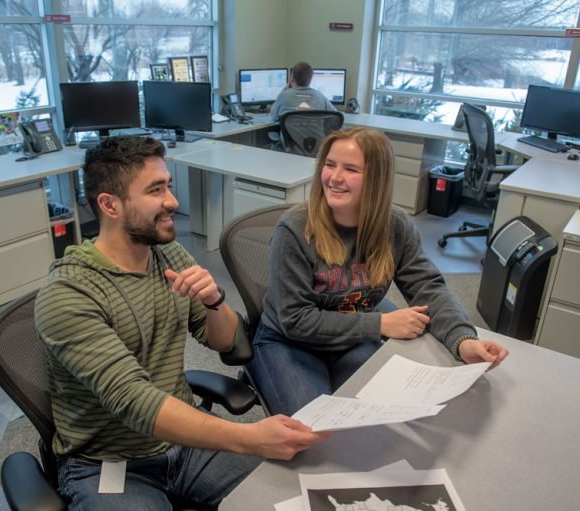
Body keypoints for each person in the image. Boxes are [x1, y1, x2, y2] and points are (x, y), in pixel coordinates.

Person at [34, 135, 329, 510]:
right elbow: (134, 402)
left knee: (293, 499)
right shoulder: (69, 293)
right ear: (110, 205)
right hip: (107, 463)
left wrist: (213, 301)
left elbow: (225, 343)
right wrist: (248, 437)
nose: (173, 201)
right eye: (156, 190)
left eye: (168, 186)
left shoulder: (167, 253)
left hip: (183, 445)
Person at [247, 127, 509, 417]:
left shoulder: (394, 225)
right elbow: (294, 320)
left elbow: (428, 287)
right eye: (330, 165)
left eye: (351, 169)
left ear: (376, 178)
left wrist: (464, 341)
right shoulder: (295, 229)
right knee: (311, 428)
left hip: (349, 336)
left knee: (384, 414)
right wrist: (379, 325)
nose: (334, 177)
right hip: (288, 341)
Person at [270, 61, 338, 121]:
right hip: (316, 135)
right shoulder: (320, 96)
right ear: (311, 79)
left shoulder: (283, 95)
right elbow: (337, 117)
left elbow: (274, 117)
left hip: (290, 136)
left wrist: (285, 90)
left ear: (292, 78)